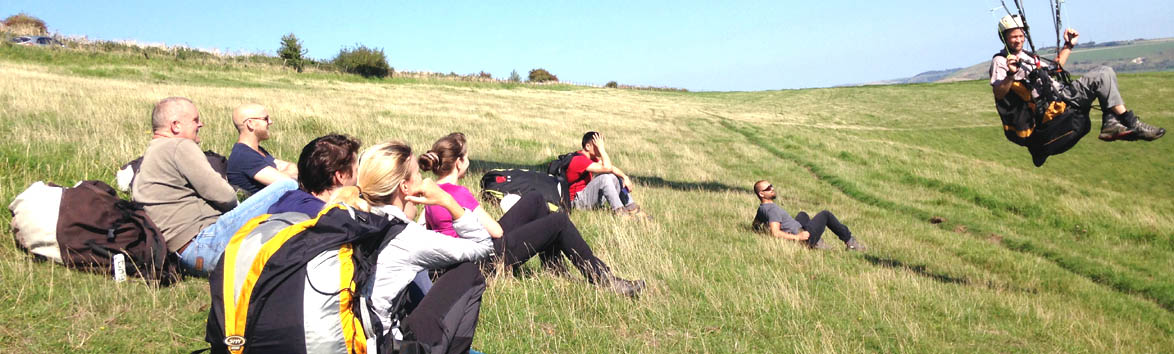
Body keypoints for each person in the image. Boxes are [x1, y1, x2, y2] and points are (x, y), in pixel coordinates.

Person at [419, 133, 645, 296]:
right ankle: (602, 278)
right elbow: (496, 231)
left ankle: (553, 266)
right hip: (483, 260)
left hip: (469, 253)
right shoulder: (460, 194)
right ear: (459, 163)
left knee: (536, 199)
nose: (467, 162)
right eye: (466, 158)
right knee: (558, 220)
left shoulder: (430, 192)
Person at [331, 141, 492, 354]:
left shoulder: (346, 217)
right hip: (383, 346)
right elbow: (483, 245)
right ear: (405, 187)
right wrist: (446, 200)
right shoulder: (407, 238)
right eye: (418, 174)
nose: (425, 180)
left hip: (347, 339)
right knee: (468, 273)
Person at [132, 97, 297, 276]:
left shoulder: (154, 152)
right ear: (175, 126)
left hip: (181, 253)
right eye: (195, 120)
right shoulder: (179, 146)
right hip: (202, 244)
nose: (200, 124)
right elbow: (225, 196)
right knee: (286, 186)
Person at [991, 15, 1164, 142]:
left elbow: (1054, 69)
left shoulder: (1027, 55)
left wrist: (1068, 45)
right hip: (1053, 103)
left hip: (1061, 92)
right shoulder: (1001, 61)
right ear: (1004, 38)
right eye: (1014, 36)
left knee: (1106, 72)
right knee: (1102, 75)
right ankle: (1131, 122)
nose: (1019, 40)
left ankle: (1111, 121)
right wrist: (1011, 73)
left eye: (1021, 36)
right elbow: (999, 93)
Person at [752, 180, 863, 251]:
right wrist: (798, 237)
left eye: (771, 186)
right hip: (804, 238)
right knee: (825, 214)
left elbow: (755, 225)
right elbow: (775, 233)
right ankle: (851, 243)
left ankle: (818, 243)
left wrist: (761, 231)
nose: (772, 188)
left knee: (802, 214)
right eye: (768, 189)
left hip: (798, 230)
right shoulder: (772, 210)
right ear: (761, 194)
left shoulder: (762, 208)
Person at [267, 133, 361, 216]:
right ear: (340, 176)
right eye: (356, 170)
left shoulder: (284, 201)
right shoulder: (330, 220)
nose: (358, 175)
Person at [565, 131, 648, 218]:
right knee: (604, 178)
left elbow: (611, 168)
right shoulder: (579, 160)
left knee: (614, 177)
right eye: (597, 145)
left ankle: (632, 208)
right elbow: (607, 168)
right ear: (587, 146)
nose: (600, 147)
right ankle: (620, 212)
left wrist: (624, 177)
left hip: (586, 197)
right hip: (577, 202)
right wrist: (602, 149)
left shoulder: (591, 159)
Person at [226, 103, 298, 195]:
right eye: (266, 119)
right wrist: (287, 173)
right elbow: (287, 183)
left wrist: (286, 172)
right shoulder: (244, 156)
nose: (270, 122)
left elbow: (289, 166)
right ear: (250, 124)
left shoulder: (256, 151)